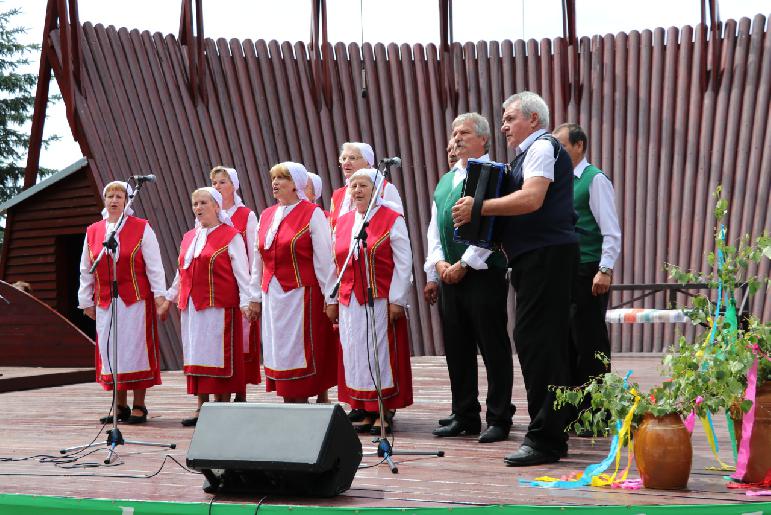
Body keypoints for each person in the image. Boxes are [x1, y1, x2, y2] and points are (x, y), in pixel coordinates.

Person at [452, 91, 578, 465]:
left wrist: (480, 207)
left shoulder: (542, 147)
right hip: (533, 258)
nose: (504, 125)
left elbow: (533, 198)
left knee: (539, 341)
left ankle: (547, 439)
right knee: (534, 340)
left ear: (533, 119)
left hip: (548, 255)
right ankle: (548, 430)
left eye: (509, 118)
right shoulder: (525, 155)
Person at [425, 113, 514, 444]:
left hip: (482, 273)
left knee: (493, 347)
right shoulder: (448, 179)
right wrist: (438, 263)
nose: (456, 138)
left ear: (483, 139)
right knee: (457, 347)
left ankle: (499, 417)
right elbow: (435, 226)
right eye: (454, 132)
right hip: (450, 275)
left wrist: (463, 263)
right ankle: (464, 414)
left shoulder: (493, 174)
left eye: (464, 133)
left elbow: (493, 229)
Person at [326, 169, 413, 434]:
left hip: (379, 298)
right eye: (353, 186)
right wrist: (331, 297)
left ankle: (384, 410)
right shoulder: (344, 222)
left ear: (376, 190)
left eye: (363, 185)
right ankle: (364, 407)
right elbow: (335, 263)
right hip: (349, 299)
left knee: (379, 353)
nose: (357, 191)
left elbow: (403, 261)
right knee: (355, 353)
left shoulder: (391, 218)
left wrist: (397, 299)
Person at [78, 181, 166, 425]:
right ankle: (119, 405)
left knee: (135, 350)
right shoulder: (94, 231)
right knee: (112, 351)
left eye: (119, 196)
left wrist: (160, 295)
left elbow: (154, 265)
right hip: (106, 301)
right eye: (110, 196)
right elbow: (86, 269)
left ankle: (139, 405)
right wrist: (85, 300)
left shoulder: (141, 227)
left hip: (135, 300)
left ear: (127, 201)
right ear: (105, 200)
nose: (114, 200)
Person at [249, 162, 337, 403]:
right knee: (280, 349)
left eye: (282, 179)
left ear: (296, 184)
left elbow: (324, 259)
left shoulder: (312, 213)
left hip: (302, 294)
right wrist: (254, 296)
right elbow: (258, 259)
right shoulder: (267, 215)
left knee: (301, 349)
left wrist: (331, 298)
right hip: (273, 296)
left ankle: (305, 397)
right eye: (274, 179)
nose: (275, 183)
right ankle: (289, 399)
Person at [164, 187, 252, 426]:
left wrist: (247, 301)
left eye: (203, 203)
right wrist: (169, 298)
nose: (198, 208)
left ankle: (220, 407)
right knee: (196, 353)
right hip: (192, 307)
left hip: (218, 306)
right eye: (195, 204)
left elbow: (242, 273)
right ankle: (201, 407)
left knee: (216, 354)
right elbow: (181, 272)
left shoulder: (230, 235)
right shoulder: (189, 237)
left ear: (216, 206)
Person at [552, 124, 621, 407]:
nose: (557, 153)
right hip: (565, 271)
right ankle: (572, 408)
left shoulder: (594, 179)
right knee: (567, 340)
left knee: (590, 341)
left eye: (563, 147)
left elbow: (611, 230)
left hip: (588, 270)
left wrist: (604, 269)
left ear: (579, 146)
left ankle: (596, 411)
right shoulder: (559, 180)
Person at [210, 166, 261, 402]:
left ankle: (240, 395)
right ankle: (218, 395)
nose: (217, 187)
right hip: (217, 289)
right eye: (214, 183)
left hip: (239, 286)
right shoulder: (208, 213)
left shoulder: (246, 215)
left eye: (222, 182)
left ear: (234, 186)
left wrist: (251, 292)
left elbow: (253, 254)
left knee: (241, 342)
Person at [329, 142, 404, 228]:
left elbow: (397, 223)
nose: (346, 163)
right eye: (343, 158)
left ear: (368, 162)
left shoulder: (385, 188)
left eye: (352, 158)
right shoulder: (338, 195)